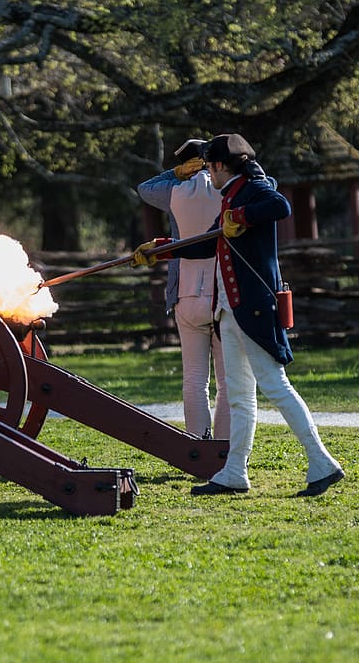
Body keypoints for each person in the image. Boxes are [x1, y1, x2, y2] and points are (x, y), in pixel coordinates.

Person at [132, 133, 345, 497]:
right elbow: (209, 240)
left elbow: (280, 207)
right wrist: (163, 250)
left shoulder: (253, 188)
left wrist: (241, 216)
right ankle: (234, 471)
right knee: (240, 396)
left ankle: (322, 462)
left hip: (253, 307)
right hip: (228, 309)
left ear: (217, 165)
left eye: (209, 168)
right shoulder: (231, 195)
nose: (206, 176)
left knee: (275, 386)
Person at [134, 139, 229, 440]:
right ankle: (224, 447)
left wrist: (175, 174)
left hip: (185, 293)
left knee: (194, 380)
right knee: (227, 383)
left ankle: (199, 445)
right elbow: (268, 183)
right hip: (222, 293)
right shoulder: (228, 188)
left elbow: (145, 188)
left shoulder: (175, 190)